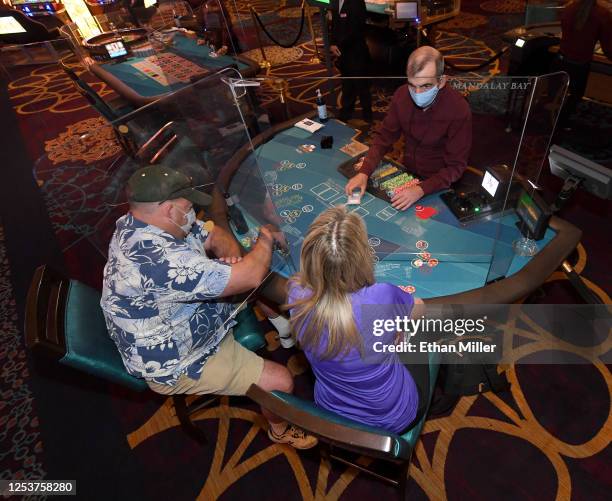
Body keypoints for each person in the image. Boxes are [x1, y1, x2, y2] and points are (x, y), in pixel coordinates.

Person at [100, 165, 316, 449]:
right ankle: (279, 429)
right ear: (168, 210)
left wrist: (232, 263)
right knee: (281, 381)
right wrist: (265, 238)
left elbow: (213, 235)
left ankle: (279, 323)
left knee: (244, 283)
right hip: (176, 357)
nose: (193, 214)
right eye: (188, 207)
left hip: (184, 319)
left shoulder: (144, 221)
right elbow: (252, 276)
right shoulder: (158, 259)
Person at [285, 206, 430, 433]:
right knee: (425, 333)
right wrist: (395, 327)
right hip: (394, 416)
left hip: (330, 411)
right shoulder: (381, 295)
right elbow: (419, 309)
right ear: (362, 256)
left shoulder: (295, 292)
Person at [344, 46, 472, 211]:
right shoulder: (401, 95)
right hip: (408, 172)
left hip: (438, 183)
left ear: (441, 81)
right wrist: (364, 172)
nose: (417, 93)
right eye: (412, 85)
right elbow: (384, 138)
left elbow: (456, 167)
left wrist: (421, 189)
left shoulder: (459, 109)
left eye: (426, 86)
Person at [554, 0, 612, 123]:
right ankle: (561, 124)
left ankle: (555, 120)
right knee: (575, 96)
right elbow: (608, 48)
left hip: (561, 59)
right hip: (579, 64)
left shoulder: (569, 8)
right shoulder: (602, 13)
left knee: (560, 94)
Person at [330, 0, 373, 122]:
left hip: (356, 51)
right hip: (343, 51)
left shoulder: (357, 2)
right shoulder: (335, 1)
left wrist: (339, 45)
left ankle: (367, 115)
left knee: (361, 85)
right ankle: (346, 112)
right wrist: (333, 43)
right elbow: (335, 24)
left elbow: (356, 30)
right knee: (347, 83)